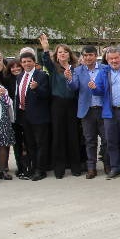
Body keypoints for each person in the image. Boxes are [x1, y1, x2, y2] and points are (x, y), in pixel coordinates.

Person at [39, 35, 82, 178]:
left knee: (73, 135)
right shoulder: (53, 69)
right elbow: (45, 60)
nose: (62, 54)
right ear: (56, 56)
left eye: (65, 52)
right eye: (59, 52)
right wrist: (46, 49)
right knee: (58, 135)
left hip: (72, 104)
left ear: (69, 55)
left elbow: (77, 87)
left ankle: (75, 166)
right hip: (57, 104)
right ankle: (59, 167)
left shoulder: (76, 69)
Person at [89, 46, 120, 179]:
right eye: (111, 59)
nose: (114, 61)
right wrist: (94, 88)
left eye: (116, 58)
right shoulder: (103, 72)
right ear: (107, 60)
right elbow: (99, 91)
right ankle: (115, 167)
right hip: (109, 112)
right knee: (111, 141)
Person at [69, 45, 108, 179]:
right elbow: (74, 87)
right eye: (85, 55)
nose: (88, 58)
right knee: (90, 140)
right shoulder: (78, 70)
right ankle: (91, 168)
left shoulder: (104, 68)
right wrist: (69, 79)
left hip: (103, 109)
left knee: (106, 139)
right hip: (87, 111)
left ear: (95, 55)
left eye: (90, 55)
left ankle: (107, 165)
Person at [13, 52, 51, 181]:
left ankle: (41, 170)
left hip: (39, 116)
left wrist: (36, 88)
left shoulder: (42, 76)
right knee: (30, 144)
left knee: (41, 143)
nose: (26, 64)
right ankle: (33, 168)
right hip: (25, 116)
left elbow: (46, 95)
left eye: (29, 61)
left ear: (34, 62)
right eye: (24, 62)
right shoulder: (20, 76)